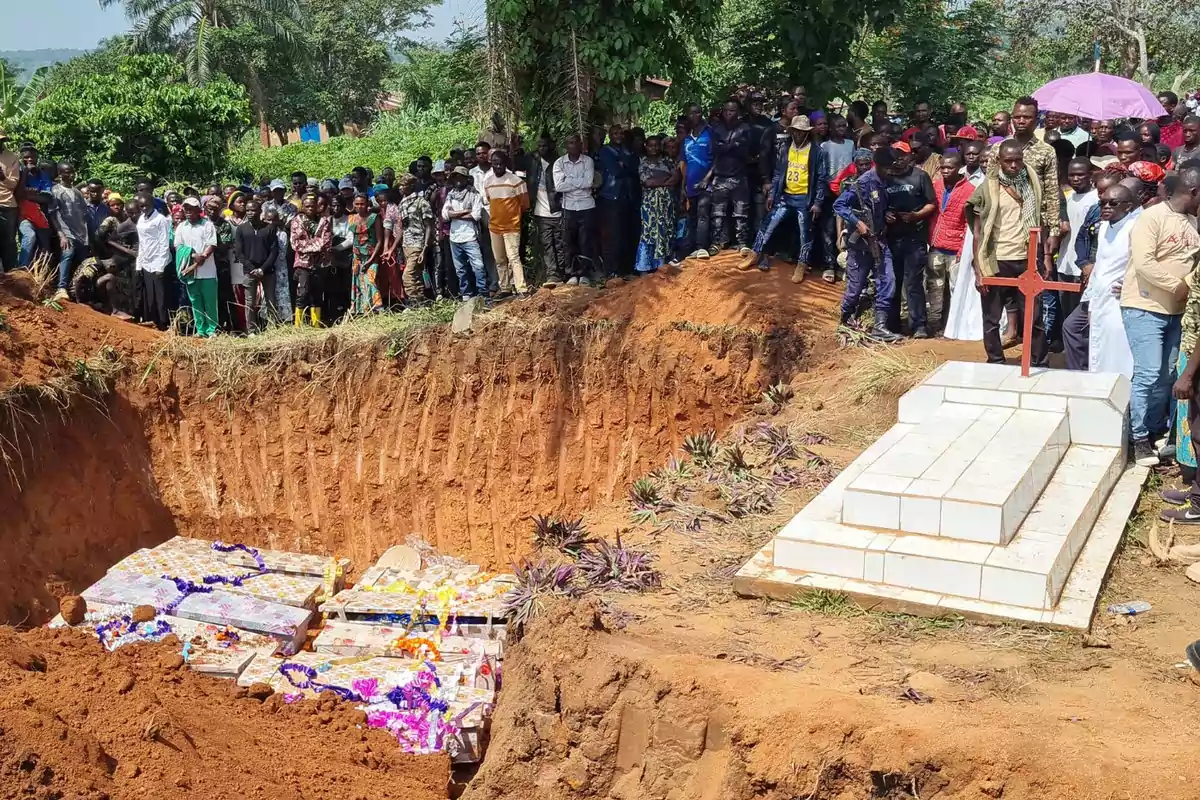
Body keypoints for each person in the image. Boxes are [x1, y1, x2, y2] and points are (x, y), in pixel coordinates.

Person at [1120, 163, 1200, 466]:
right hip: (1145, 307)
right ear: (1192, 192)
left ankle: (1155, 431)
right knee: (1149, 372)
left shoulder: (1192, 222)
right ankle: (1137, 437)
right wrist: (1178, 286)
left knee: (1168, 375)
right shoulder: (1151, 218)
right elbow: (1144, 263)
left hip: (1178, 313)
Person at [965, 140, 1050, 367]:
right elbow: (978, 233)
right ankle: (995, 361)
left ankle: (1039, 362)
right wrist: (979, 270)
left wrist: (1046, 256)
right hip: (996, 260)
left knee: (1033, 316)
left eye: (1018, 160)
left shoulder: (1032, 185)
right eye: (1008, 161)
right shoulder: (986, 189)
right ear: (999, 161)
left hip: (1027, 259)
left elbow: (1041, 221)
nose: (1013, 165)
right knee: (992, 319)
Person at [1061, 181, 1138, 373]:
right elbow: (1100, 266)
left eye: (1113, 203)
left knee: (1116, 349)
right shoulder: (1103, 227)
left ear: (1128, 206)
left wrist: (1132, 286)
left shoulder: (1135, 228)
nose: (1106, 207)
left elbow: (1142, 264)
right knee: (1092, 341)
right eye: (1103, 202)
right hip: (1098, 296)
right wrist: (1090, 300)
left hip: (1119, 299)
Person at [747, 115, 827, 282]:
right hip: (785, 195)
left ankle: (802, 264)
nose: (797, 134)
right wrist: (772, 194)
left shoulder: (817, 151)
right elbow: (778, 173)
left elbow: (821, 178)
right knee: (769, 223)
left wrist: (818, 203)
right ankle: (755, 253)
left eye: (800, 131)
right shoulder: (785, 147)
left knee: (805, 232)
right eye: (795, 131)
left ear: (807, 133)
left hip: (804, 198)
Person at [833, 147, 901, 341]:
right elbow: (839, 205)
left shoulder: (887, 181)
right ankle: (845, 320)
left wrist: (887, 214)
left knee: (888, 281)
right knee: (855, 287)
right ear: (877, 165)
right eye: (887, 167)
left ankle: (880, 326)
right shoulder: (863, 183)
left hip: (879, 240)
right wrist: (858, 223)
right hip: (861, 244)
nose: (890, 171)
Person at [883, 141, 936, 337]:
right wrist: (885, 215)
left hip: (915, 238)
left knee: (913, 282)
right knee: (893, 282)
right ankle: (892, 325)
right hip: (891, 239)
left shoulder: (920, 176)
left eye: (901, 154)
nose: (898, 158)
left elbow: (932, 204)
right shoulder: (886, 178)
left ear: (909, 156)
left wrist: (915, 216)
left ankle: (919, 325)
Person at [928, 151, 975, 334]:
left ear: (959, 168)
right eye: (942, 167)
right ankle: (934, 325)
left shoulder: (969, 190)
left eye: (950, 167)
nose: (945, 171)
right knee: (935, 287)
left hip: (956, 248)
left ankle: (954, 327)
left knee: (956, 289)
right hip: (936, 245)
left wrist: (963, 250)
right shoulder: (935, 186)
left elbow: (968, 223)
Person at [1057, 157, 1100, 322]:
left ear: (1090, 175)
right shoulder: (1067, 198)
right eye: (1071, 175)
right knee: (1066, 312)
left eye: (1080, 175)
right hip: (1064, 263)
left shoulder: (1096, 200)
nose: (1075, 179)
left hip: (1082, 265)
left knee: (1079, 315)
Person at [482, 150, 530, 297]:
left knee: (513, 257)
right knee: (500, 259)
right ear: (491, 164)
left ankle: (521, 288)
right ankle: (505, 288)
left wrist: (513, 216)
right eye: (495, 164)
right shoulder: (488, 182)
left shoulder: (516, 181)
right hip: (495, 227)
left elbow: (525, 204)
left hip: (511, 227)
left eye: (500, 164)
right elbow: (489, 201)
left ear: (505, 164)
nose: (498, 167)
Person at [708, 100, 752, 257]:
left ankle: (742, 243)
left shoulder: (745, 128)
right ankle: (716, 242)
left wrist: (726, 146)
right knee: (717, 213)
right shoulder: (716, 129)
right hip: (720, 177)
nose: (728, 113)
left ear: (738, 112)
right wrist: (733, 144)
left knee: (741, 214)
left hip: (739, 176)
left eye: (732, 111)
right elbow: (715, 149)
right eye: (726, 110)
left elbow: (745, 151)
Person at [553, 134, 597, 285]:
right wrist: (579, 183)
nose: (573, 146)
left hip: (586, 206)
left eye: (575, 143)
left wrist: (569, 182)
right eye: (570, 143)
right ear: (566, 146)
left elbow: (589, 182)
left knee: (585, 241)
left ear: (580, 144)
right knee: (569, 242)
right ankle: (572, 274)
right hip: (568, 207)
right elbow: (559, 186)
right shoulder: (559, 163)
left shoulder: (588, 161)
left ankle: (585, 274)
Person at [596, 125, 639, 276]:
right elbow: (616, 171)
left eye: (621, 133)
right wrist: (624, 165)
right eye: (615, 133)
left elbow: (635, 169)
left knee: (627, 234)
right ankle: (611, 271)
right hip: (611, 197)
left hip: (628, 197)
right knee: (612, 236)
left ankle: (626, 269)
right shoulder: (605, 151)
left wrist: (623, 164)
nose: (619, 135)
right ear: (610, 135)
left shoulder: (627, 150)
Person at [635, 134, 680, 274]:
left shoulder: (666, 160)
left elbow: (677, 177)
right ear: (646, 147)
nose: (653, 148)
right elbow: (648, 182)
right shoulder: (643, 162)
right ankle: (645, 267)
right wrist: (666, 180)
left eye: (656, 145)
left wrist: (659, 181)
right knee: (649, 233)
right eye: (650, 145)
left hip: (667, 205)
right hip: (650, 205)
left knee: (666, 231)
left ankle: (663, 264)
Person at [817, 114, 855, 282]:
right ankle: (829, 265)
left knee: (847, 229)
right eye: (838, 126)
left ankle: (844, 266)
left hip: (847, 191)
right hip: (829, 190)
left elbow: (853, 166)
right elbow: (822, 170)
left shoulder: (850, 144)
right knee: (829, 229)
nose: (841, 129)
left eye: (843, 126)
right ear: (830, 129)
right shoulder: (825, 145)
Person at [175, 196, 220, 337]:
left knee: (210, 302)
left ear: (198, 210)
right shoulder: (182, 227)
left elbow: (211, 244)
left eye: (191, 209)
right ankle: (200, 330)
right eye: (186, 209)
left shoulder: (207, 225)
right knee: (195, 301)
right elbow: (178, 247)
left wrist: (204, 256)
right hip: (190, 272)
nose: (188, 212)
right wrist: (194, 256)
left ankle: (212, 329)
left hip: (207, 272)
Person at [442, 166, 487, 299]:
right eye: (456, 177)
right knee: (460, 270)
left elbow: (476, 215)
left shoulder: (474, 194)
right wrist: (464, 212)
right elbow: (445, 214)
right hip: (455, 237)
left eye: (461, 177)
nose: (458, 180)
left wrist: (454, 214)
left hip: (470, 236)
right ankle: (466, 295)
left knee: (478, 267)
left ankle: (484, 294)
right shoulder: (451, 195)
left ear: (467, 179)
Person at [235, 198, 279, 332]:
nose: (250, 213)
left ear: (260, 211)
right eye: (247, 210)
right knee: (250, 302)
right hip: (249, 271)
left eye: (253, 210)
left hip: (268, 271)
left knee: (271, 300)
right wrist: (253, 268)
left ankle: (273, 328)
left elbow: (274, 251)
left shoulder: (269, 229)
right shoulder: (241, 229)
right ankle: (252, 330)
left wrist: (263, 269)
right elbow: (239, 252)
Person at [527, 134, 566, 287]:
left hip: (556, 210)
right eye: (539, 146)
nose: (541, 148)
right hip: (540, 212)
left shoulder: (557, 163)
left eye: (544, 145)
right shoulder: (533, 162)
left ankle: (563, 273)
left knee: (560, 244)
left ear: (550, 146)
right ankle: (552, 275)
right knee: (547, 245)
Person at [290, 194, 332, 326]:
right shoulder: (296, 221)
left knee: (317, 293)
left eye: (312, 206)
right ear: (302, 206)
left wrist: (308, 245)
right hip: (303, 263)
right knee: (303, 292)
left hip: (320, 263)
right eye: (307, 206)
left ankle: (316, 324)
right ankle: (298, 325)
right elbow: (296, 244)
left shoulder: (324, 221)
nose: (310, 208)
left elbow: (326, 242)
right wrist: (316, 245)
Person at [679, 103, 714, 259]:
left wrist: (707, 179)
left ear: (702, 114)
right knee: (692, 216)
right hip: (690, 185)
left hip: (707, 184)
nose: (695, 116)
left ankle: (702, 247)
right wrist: (682, 187)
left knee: (703, 214)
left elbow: (716, 159)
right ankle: (693, 249)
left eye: (697, 112)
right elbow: (684, 164)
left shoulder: (709, 133)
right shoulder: (686, 139)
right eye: (691, 113)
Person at [51, 162, 89, 302]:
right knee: (67, 254)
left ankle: (79, 292)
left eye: (72, 171)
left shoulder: (77, 193)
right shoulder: (56, 191)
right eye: (67, 172)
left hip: (81, 233)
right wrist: (61, 234)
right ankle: (61, 288)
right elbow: (53, 215)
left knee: (82, 263)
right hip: (66, 232)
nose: (71, 175)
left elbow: (84, 214)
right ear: (60, 174)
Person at [134, 195, 171, 330]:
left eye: (146, 206)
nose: (144, 209)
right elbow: (142, 242)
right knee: (150, 295)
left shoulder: (160, 220)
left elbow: (164, 242)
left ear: (152, 204)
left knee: (161, 296)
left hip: (159, 261)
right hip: (146, 261)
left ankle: (163, 323)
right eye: (141, 206)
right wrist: (139, 263)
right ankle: (153, 320)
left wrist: (160, 266)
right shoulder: (141, 219)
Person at [397, 174, 434, 306]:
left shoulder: (421, 202)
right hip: (406, 243)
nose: (401, 188)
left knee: (407, 275)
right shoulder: (402, 203)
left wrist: (425, 247)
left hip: (418, 242)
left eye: (404, 185)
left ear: (412, 186)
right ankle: (421, 301)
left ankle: (413, 300)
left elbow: (429, 225)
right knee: (416, 276)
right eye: (400, 185)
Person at [204, 195, 240, 332]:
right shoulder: (202, 223)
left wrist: (208, 248)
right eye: (209, 208)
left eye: (215, 209)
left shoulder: (224, 224)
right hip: (205, 266)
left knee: (224, 296)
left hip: (220, 265)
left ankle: (230, 325)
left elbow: (224, 245)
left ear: (220, 209)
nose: (211, 211)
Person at [347, 194, 383, 314]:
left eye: (362, 204)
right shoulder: (351, 218)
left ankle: (378, 309)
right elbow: (351, 240)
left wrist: (371, 259)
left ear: (367, 204)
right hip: (357, 257)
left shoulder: (374, 217)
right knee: (358, 283)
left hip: (371, 256)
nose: (359, 206)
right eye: (357, 204)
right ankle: (362, 310)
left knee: (370, 281)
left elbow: (379, 241)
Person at [0, 128, 23, 272]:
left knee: (8, 241)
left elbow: (13, 184)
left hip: (7, 204)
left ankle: (11, 275)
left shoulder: (12, 157)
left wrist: (2, 177)